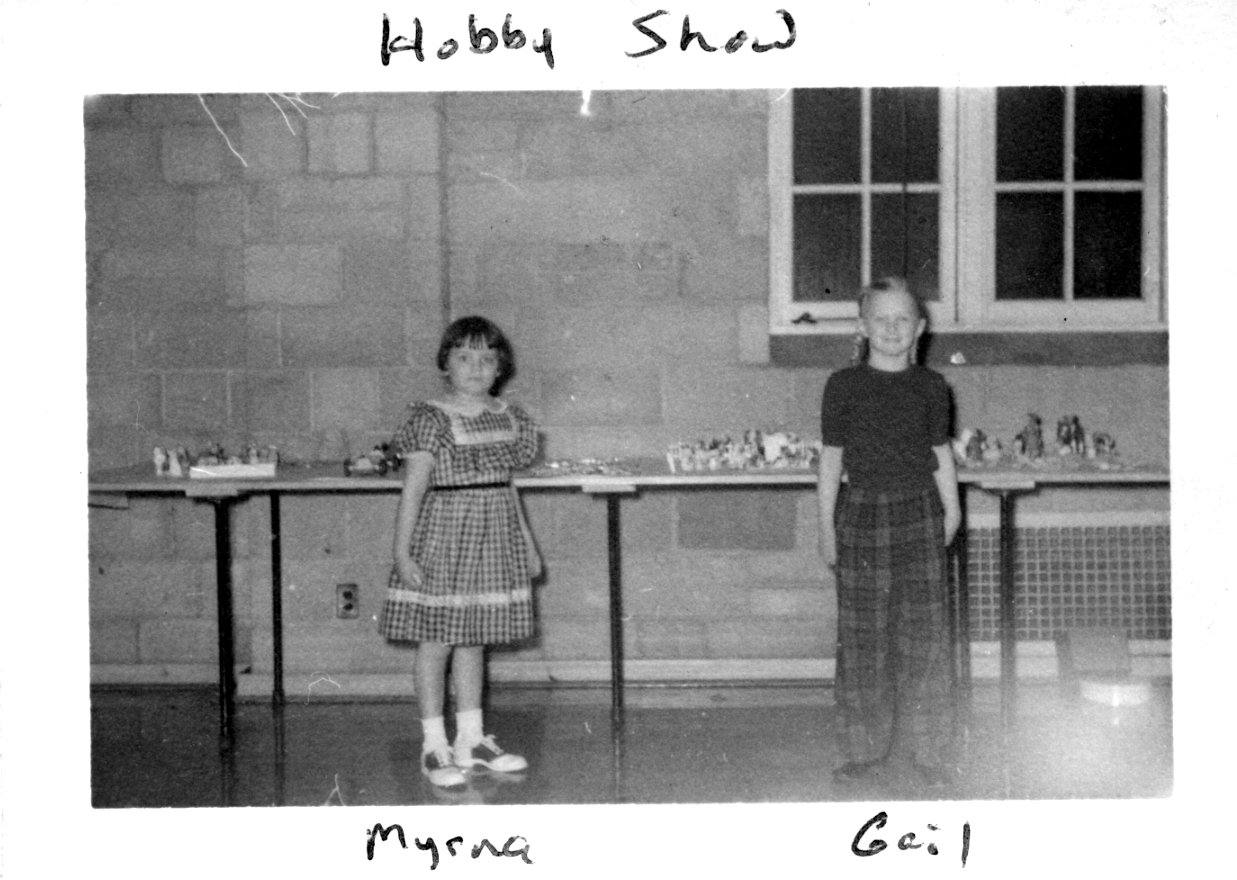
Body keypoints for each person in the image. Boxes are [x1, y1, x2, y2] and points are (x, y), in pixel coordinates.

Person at [380, 316, 542, 789]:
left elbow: (507, 487)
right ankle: (435, 744)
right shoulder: (429, 419)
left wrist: (528, 545)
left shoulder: (507, 417)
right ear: (445, 364)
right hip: (444, 538)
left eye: (487, 358)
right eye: (464, 357)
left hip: (496, 537)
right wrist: (402, 553)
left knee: (475, 639)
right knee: (438, 641)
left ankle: (472, 739)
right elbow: (412, 491)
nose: (476, 367)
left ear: (500, 368)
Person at [816, 277, 962, 788]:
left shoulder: (931, 388)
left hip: (920, 513)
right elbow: (831, 463)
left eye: (903, 319)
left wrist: (953, 510)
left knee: (925, 639)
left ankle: (930, 752)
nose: (892, 328)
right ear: (862, 326)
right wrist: (826, 527)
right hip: (860, 517)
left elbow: (940, 454)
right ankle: (862, 750)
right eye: (881, 318)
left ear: (920, 329)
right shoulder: (843, 386)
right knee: (862, 640)